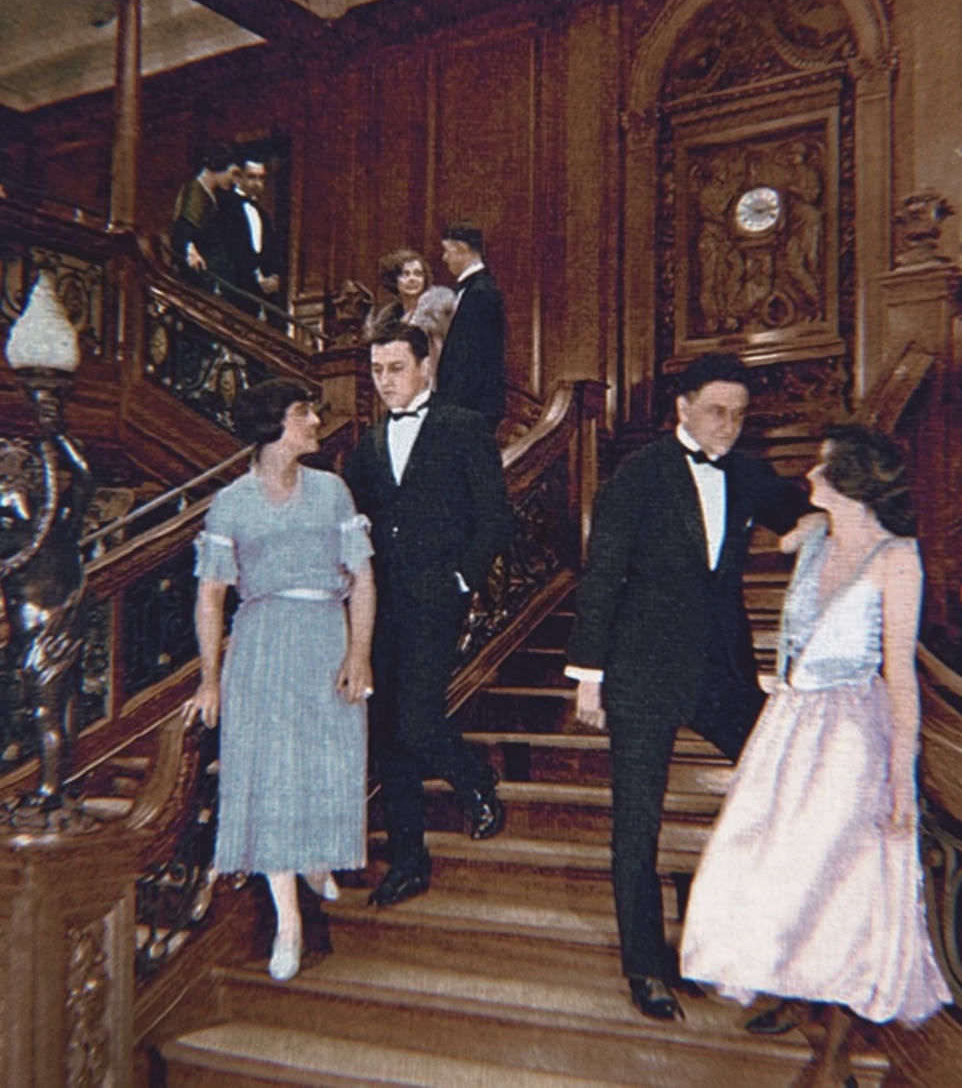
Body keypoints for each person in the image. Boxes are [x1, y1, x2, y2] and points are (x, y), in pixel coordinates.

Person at [681, 425, 951, 1087]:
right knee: (758, 880)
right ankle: (800, 1011)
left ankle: (832, 1062)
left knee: (841, 897)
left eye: (824, 466)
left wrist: (899, 777)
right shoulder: (813, 539)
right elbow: (789, 540)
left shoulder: (897, 558)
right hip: (788, 731)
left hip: (854, 738)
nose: (811, 473)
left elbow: (900, 677)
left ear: (854, 481)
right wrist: (803, 529)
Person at [567, 353, 814, 1023]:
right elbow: (603, 575)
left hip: (722, 674)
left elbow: (809, 508)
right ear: (683, 408)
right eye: (715, 411)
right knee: (636, 823)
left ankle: (719, 925)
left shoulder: (747, 471)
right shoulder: (637, 475)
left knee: (785, 781)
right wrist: (589, 676)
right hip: (641, 675)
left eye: (738, 414)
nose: (728, 425)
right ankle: (645, 966)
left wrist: (825, 522)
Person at [183, 377, 375, 982]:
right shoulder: (231, 503)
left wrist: (360, 654)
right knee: (267, 774)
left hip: (325, 638)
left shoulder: (332, 491)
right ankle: (287, 919)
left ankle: (316, 855)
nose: (316, 421)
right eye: (303, 412)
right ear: (272, 426)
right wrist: (210, 679)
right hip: (262, 645)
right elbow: (211, 597)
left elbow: (363, 581)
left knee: (325, 762)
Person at [344, 321, 513, 908]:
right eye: (376, 370)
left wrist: (462, 579)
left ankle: (475, 782)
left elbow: (495, 517)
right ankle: (409, 860)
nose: (385, 381)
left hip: (438, 597)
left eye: (395, 368)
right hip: (378, 602)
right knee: (388, 733)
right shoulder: (367, 442)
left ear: (425, 368)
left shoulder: (464, 428)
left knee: (416, 719)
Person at [434, 222, 506, 431]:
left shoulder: (481, 291)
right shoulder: (474, 289)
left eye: (447, 251)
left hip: (471, 408)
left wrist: (453, 407)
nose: (444, 258)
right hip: (464, 407)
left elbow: (472, 356)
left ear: (462, 250)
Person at [367, 249, 456, 377]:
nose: (412, 279)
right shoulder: (390, 318)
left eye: (418, 274)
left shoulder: (435, 309)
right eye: (405, 274)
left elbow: (439, 353)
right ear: (394, 280)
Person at [220, 158, 284, 314]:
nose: (257, 183)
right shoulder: (224, 207)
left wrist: (275, 277)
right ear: (238, 178)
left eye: (261, 178)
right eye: (251, 177)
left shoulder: (263, 216)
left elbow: (273, 251)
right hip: (233, 289)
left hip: (260, 295)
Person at [171, 143, 240, 285]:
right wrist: (190, 250)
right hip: (199, 275)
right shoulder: (195, 191)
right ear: (217, 167)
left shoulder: (212, 194)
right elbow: (183, 230)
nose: (234, 180)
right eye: (232, 173)